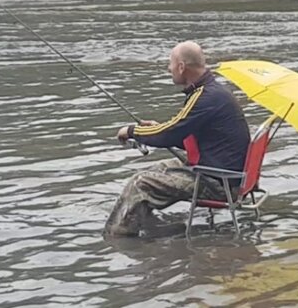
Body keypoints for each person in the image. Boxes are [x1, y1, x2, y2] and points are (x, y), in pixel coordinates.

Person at [104, 41, 251, 237]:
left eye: (171, 63)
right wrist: (156, 129)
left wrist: (131, 131)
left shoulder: (205, 97)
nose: (169, 68)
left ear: (181, 67)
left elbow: (171, 133)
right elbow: (182, 132)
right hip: (220, 171)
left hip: (219, 183)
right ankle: (144, 225)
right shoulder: (212, 92)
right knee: (155, 170)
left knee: (140, 183)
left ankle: (117, 239)